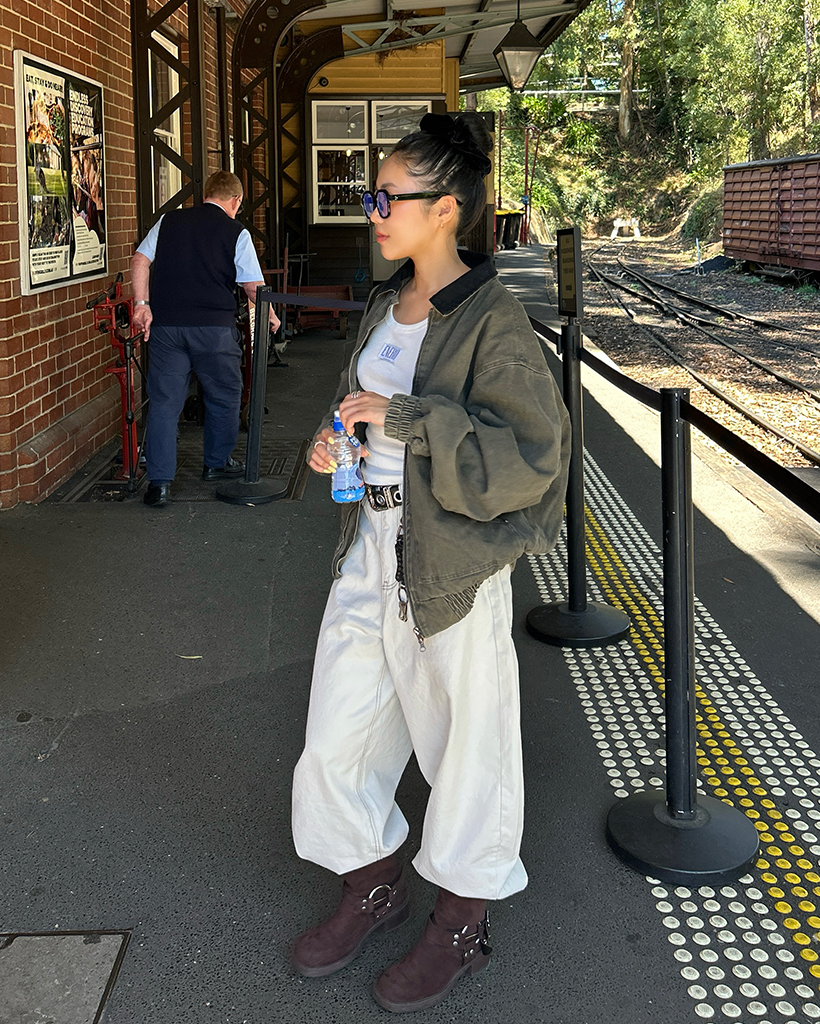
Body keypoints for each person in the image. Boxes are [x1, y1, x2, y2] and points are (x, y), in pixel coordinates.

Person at [290, 112, 571, 1013]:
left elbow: (532, 456)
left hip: (451, 564)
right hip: (368, 548)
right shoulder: (386, 305)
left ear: (445, 208)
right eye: (369, 195)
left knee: (466, 747)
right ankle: (373, 882)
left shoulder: (494, 320)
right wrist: (333, 438)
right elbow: (355, 403)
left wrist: (405, 419)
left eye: (385, 197)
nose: (370, 211)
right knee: (336, 733)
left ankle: (460, 923)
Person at [131, 170, 280, 507]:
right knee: (224, 395)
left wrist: (142, 304)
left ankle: (159, 484)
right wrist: (270, 314)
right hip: (214, 329)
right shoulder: (236, 231)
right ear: (236, 200)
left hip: (167, 328)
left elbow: (140, 260)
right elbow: (252, 286)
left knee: (164, 403)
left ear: (205, 195)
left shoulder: (169, 221)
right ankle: (216, 463)